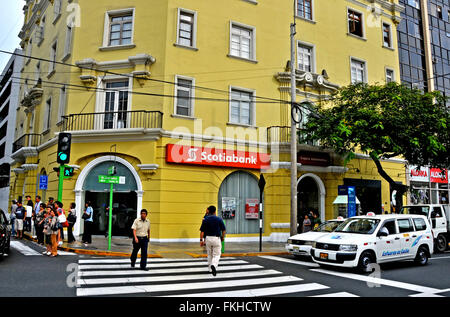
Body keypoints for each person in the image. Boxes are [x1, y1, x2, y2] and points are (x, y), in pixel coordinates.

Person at [200, 206, 226, 276]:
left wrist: (201, 240)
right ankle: (214, 265)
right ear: (215, 211)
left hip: (208, 238)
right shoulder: (219, 219)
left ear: (209, 211)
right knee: (217, 254)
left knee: (209, 254)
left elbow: (202, 231)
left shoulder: (205, 219)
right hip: (216, 238)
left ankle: (209, 269)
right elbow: (223, 230)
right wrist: (223, 237)